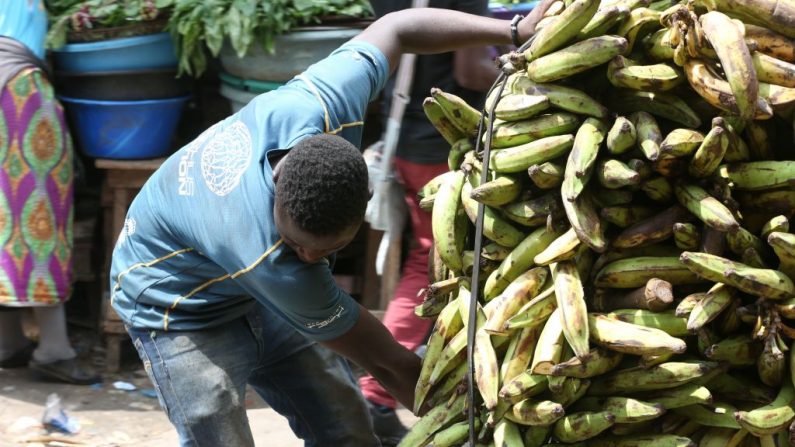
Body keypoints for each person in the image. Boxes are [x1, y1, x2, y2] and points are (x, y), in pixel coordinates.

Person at [110, 6, 552, 446]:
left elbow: (398, 27)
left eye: (325, 251)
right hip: (172, 302)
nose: (311, 259)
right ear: (277, 194)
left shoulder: (324, 102)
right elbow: (388, 364)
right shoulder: (274, 259)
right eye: (301, 246)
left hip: (244, 279)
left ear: (366, 200)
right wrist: (481, 427)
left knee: (345, 427)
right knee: (219, 433)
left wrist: (513, 29)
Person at [358, 1, 502, 443]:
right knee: (433, 263)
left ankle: (380, 391)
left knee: (431, 261)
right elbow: (473, 71)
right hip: (443, 142)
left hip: (408, 133)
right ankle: (375, 393)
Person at [0, 0, 99, 385]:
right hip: (17, 90)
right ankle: (54, 350)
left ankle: (8, 344)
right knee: (38, 211)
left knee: (8, 214)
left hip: (12, 85)